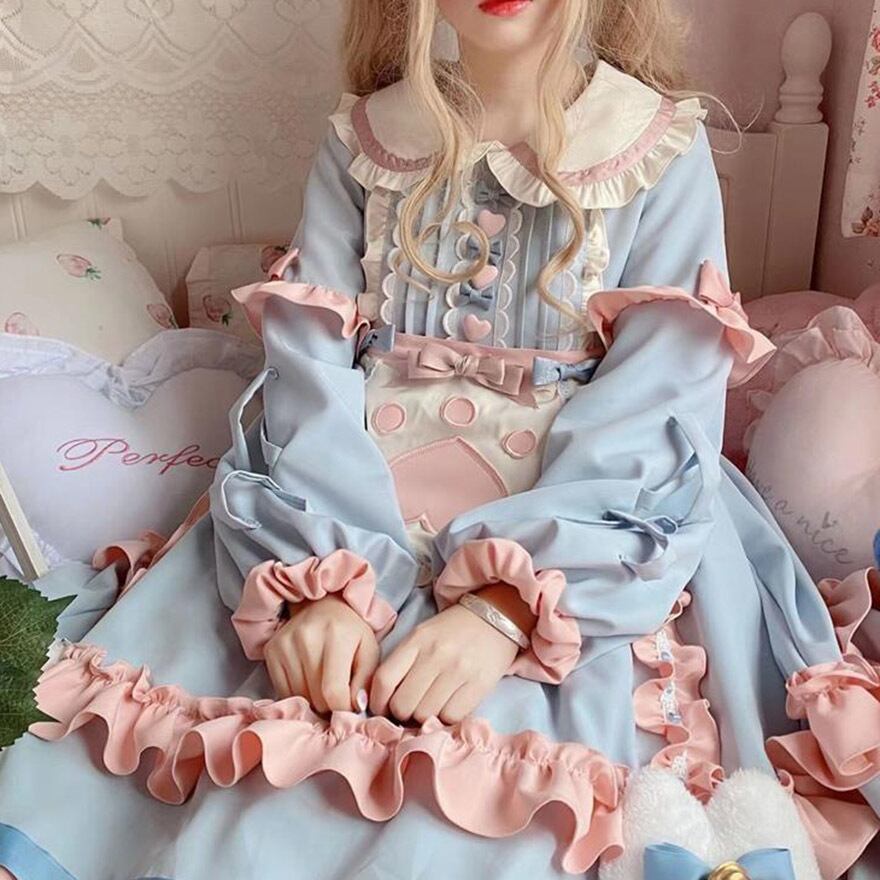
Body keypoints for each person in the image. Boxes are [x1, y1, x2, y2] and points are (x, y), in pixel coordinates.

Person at [2, 1, 879, 878]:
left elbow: (659, 400)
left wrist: (508, 608)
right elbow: (306, 377)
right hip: (345, 505)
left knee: (504, 780)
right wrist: (322, 583)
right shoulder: (364, 141)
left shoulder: (657, 147)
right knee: (268, 753)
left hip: (585, 522)